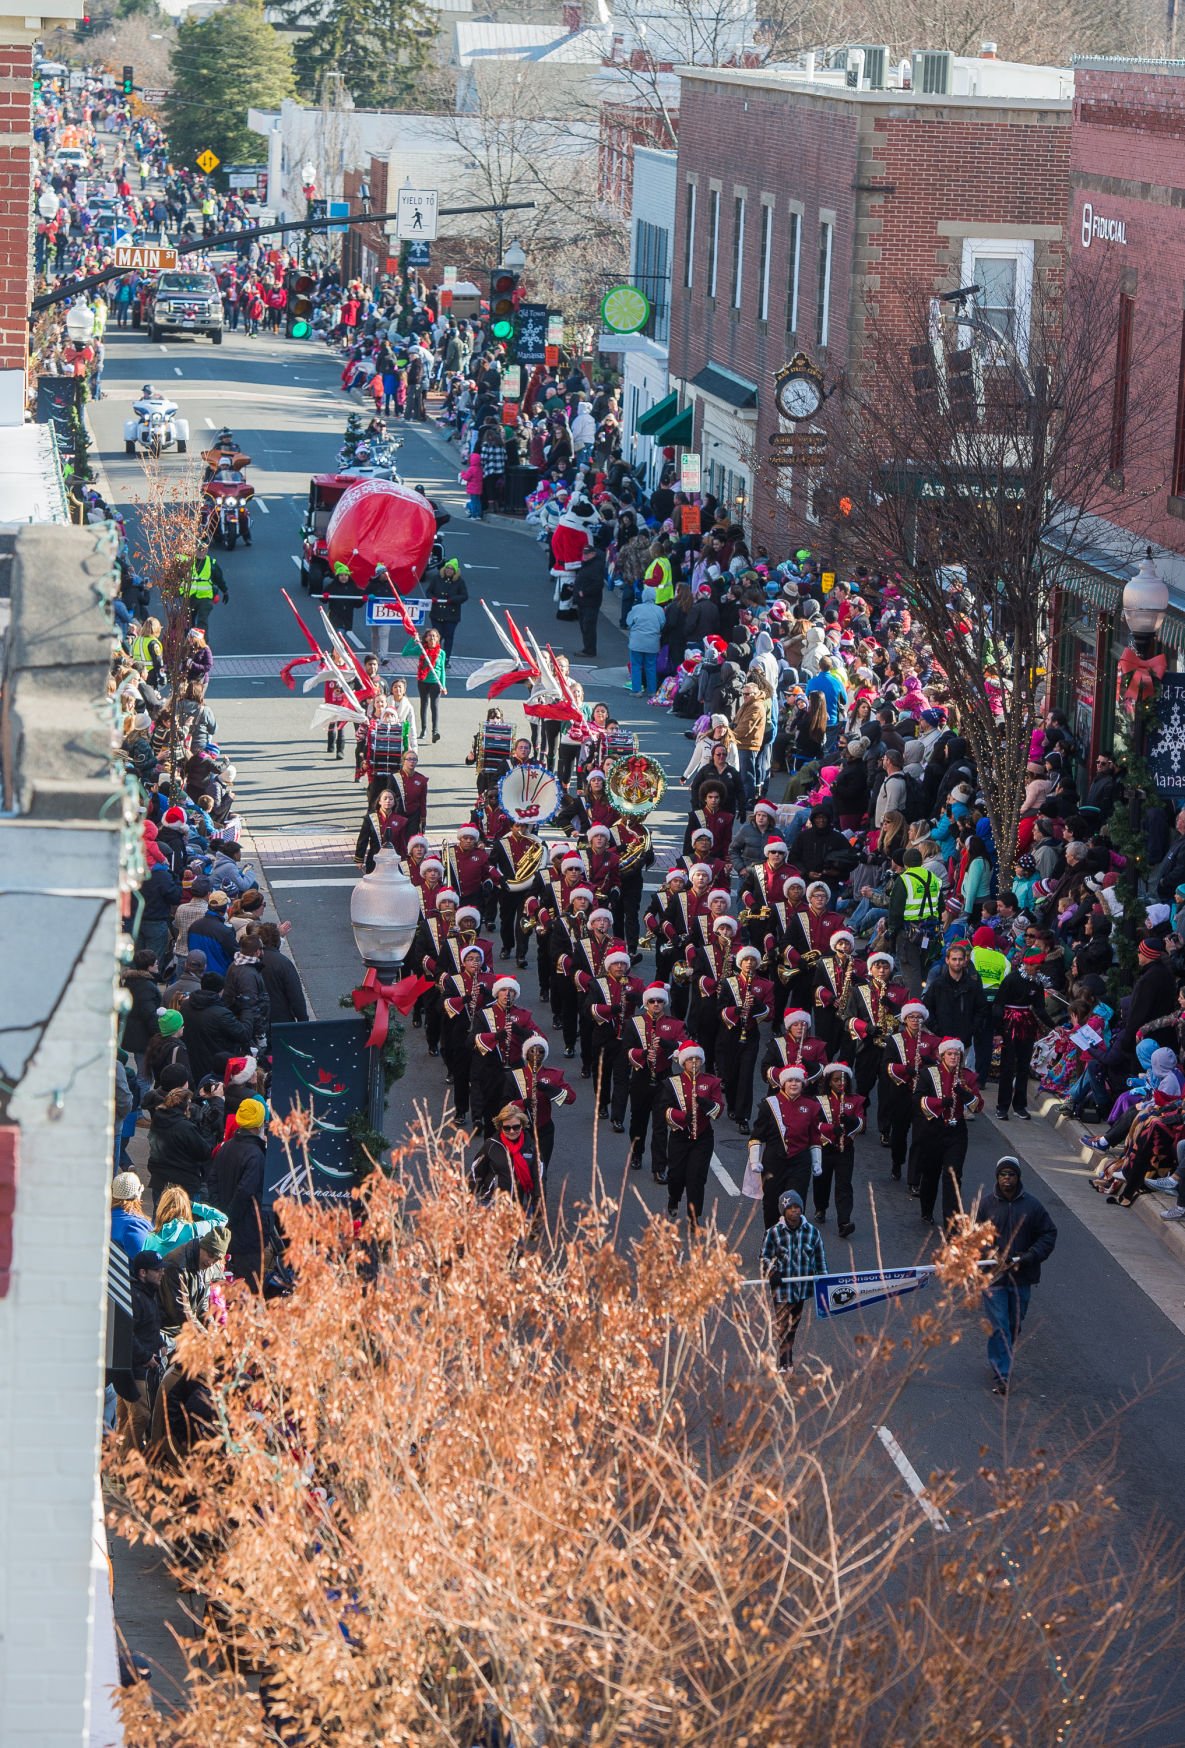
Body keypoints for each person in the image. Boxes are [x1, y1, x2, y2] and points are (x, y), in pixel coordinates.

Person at [978, 1157, 1057, 1395]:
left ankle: (1002, 1356)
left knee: (1013, 1325)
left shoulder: (1033, 1207)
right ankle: (1002, 1373)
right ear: (997, 1177)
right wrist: (992, 1255)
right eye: (1003, 1174)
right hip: (994, 1278)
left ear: (1018, 1177)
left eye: (1011, 1174)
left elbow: (1048, 1235)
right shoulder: (986, 1205)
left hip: (1022, 1278)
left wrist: (1029, 1256)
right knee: (1000, 1324)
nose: (1007, 1179)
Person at [760, 1189, 827, 1373]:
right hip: (781, 1290)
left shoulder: (812, 1233)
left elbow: (820, 1258)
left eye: (797, 1207)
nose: (794, 1211)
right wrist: (772, 1271)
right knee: (782, 1325)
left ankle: (787, 1358)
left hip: (801, 1290)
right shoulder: (773, 1233)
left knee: (792, 1327)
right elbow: (764, 1257)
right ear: (784, 1211)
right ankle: (783, 1363)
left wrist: (824, 1281)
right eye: (790, 1208)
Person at [208, 1097, 270, 1291]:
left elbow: (212, 1182)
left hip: (227, 1231)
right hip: (248, 1232)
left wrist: (221, 1213)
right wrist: (230, 1217)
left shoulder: (226, 1147)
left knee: (225, 1282)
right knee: (248, 1289)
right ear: (260, 1123)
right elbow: (245, 1191)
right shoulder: (256, 1155)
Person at [626, 585, 666, 696]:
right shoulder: (659, 610)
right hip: (652, 643)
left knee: (636, 666)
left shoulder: (636, 608)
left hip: (637, 642)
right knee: (651, 666)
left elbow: (628, 621)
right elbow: (662, 624)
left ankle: (637, 690)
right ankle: (652, 690)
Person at [428, 558, 468, 660]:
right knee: (436, 637)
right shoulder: (437, 579)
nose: (448, 570)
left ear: (455, 571)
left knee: (448, 637)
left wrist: (452, 600)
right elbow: (429, 591)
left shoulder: (459, 582)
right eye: (447, 568)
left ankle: (446, 659)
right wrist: (432, 598)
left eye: (451, 569)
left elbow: (464, 596)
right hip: (437, 614)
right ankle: (434, 657)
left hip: (451, 616)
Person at [415, 627, 447, 743]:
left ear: (438, 639)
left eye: (435, 636)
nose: (432, 637)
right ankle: (423, 729)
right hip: (423, 682)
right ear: (426, 638)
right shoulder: (422, 650)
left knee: (434, 706)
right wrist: (414, 639)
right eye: (430, 635)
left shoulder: (441, 653)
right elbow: (405, 652)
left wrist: (443, 685)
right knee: (424, 704)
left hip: (435, 683)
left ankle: (435, 731)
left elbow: (442, 670)